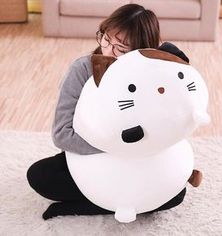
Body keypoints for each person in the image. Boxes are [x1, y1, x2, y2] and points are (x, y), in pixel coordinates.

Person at [27, 3, 187, 220]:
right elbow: (62, 135)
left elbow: (174, 122)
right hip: (93, 158)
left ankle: (98, 204)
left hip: (140, 161)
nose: (108, 50)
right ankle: (117, 203)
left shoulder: (152, 74)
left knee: (177, 192)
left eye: (121, 48)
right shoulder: (82, 70)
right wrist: (120, 147)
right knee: (40, 176)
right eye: (105, 39)